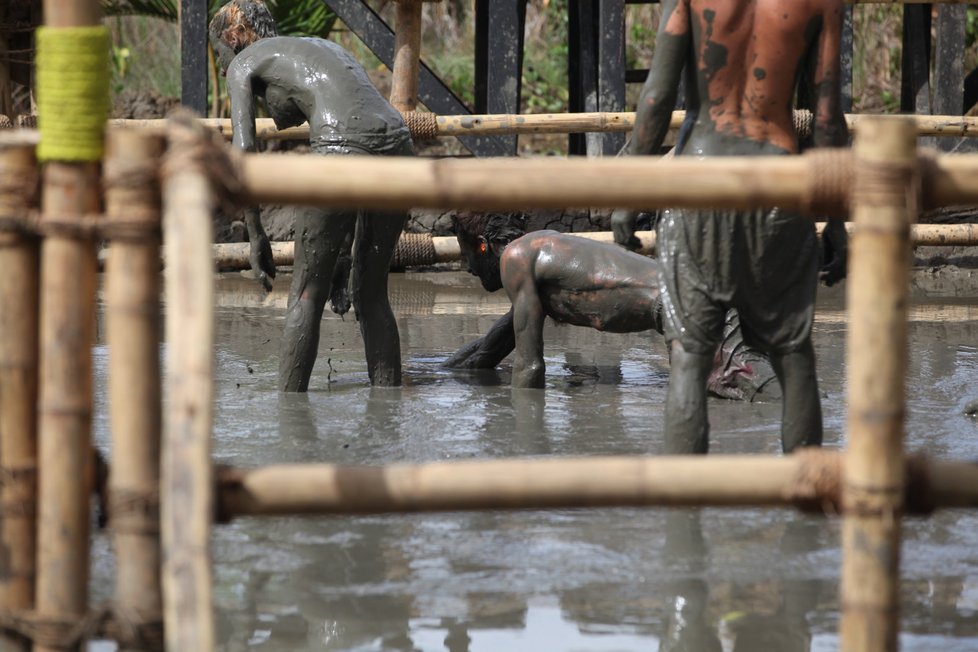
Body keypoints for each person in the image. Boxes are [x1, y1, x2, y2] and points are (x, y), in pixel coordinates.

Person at [610, 0, 849, 454]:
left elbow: (657, 99)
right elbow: (826, 121)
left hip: (699, 185)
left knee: (690, 358)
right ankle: (806, 517)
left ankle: (685, 520)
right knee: (794, 357)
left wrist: (626, 193)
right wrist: (836, 218)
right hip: (777, 184)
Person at [210, 0, 415, 391]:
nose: (221, 66)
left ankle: (289, 424)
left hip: (342, 150)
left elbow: (244, 155)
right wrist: (341, 254)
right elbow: (369, 137)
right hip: (400, 148)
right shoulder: (322, 47)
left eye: (218, 52)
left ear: (233, 37)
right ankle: (387, 417)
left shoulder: (244, 61)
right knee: (372, 296)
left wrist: (256, 235)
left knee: (306, 295)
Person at [444, 212, 780, 403]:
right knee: (755, 399)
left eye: (465, 255)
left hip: (682, 306)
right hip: (694, 295)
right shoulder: (538, 250)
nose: (467, 267)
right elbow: (492, 348)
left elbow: (530, 368)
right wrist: (436, 374)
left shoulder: (517, 259)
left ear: (482, 246)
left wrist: (526, 437)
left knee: (768, 398)